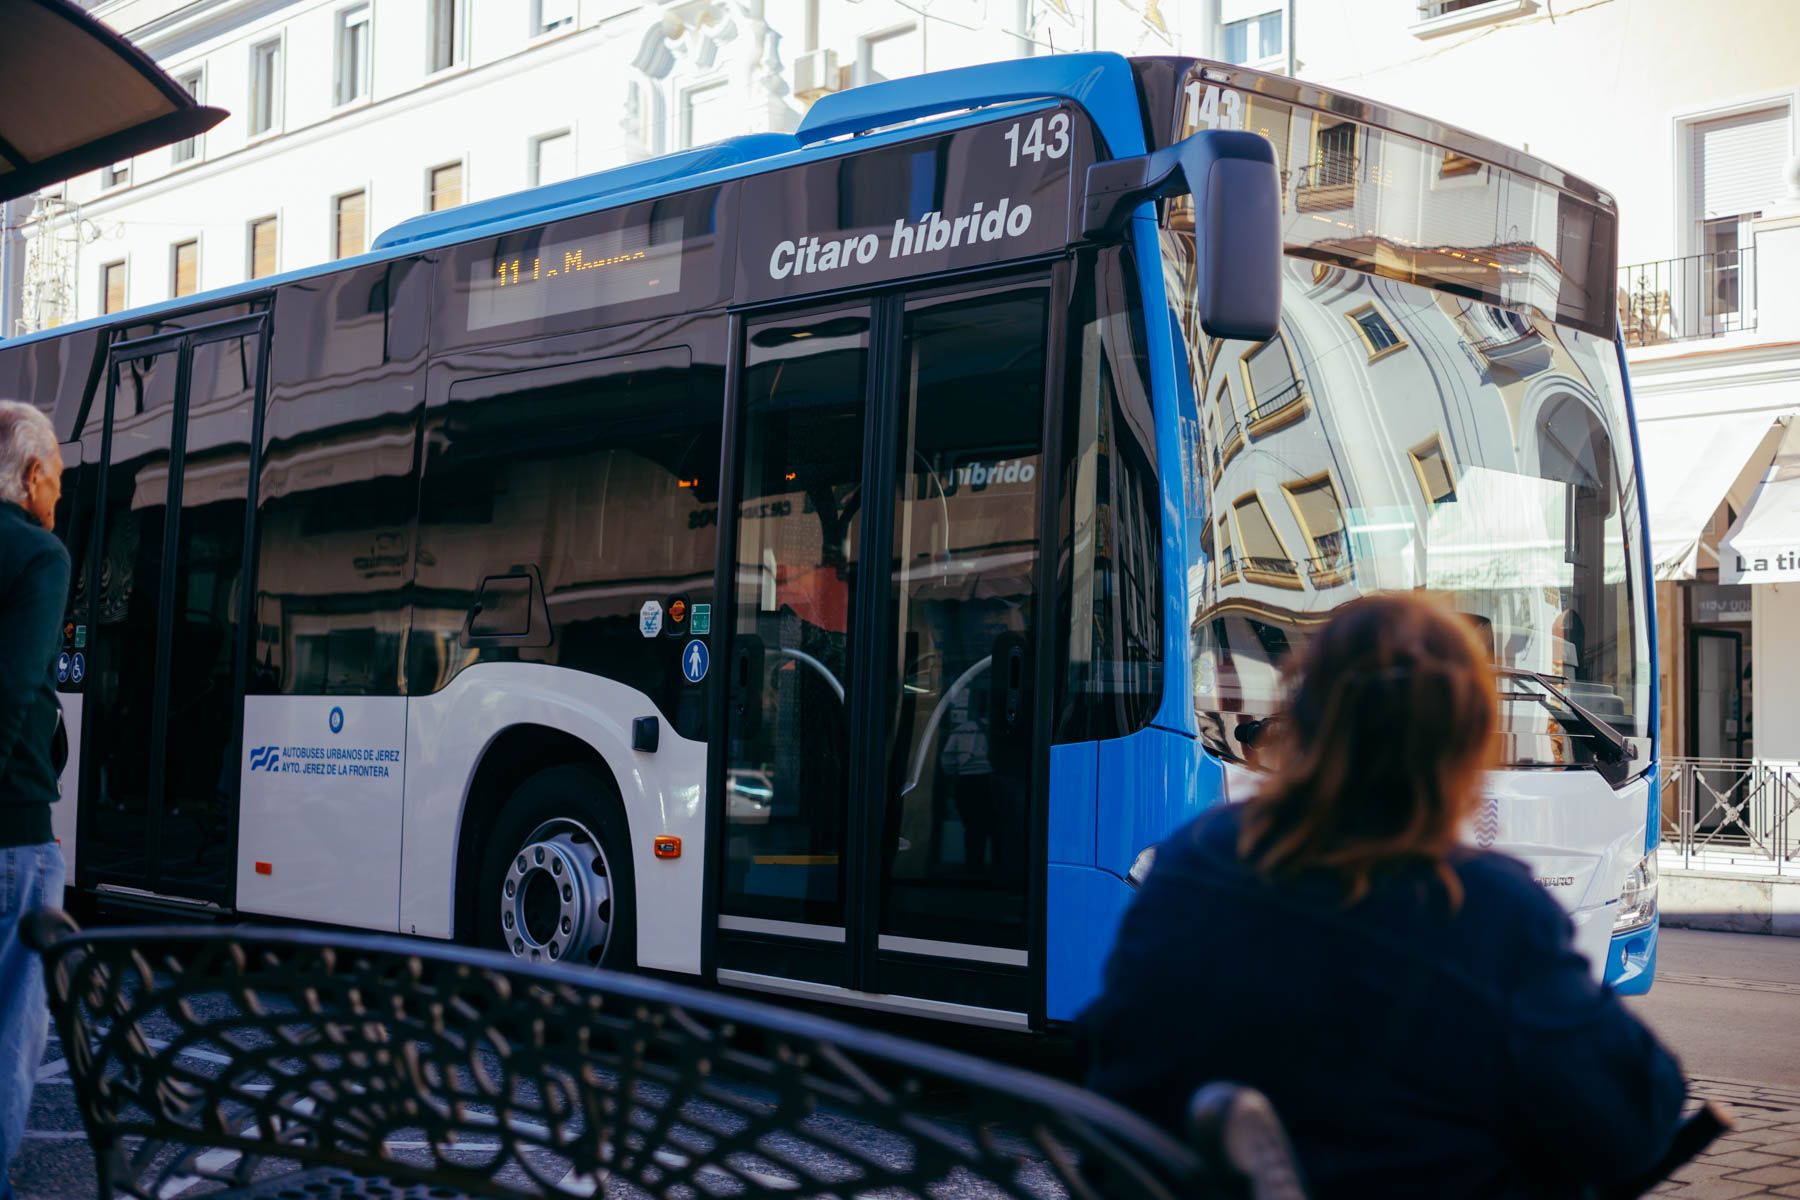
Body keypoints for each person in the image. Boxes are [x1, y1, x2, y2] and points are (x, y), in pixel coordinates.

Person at [1080, 592, 1685, 1199]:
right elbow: (1637, 1115)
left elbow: (1116, 1072)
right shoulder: (1485, 909)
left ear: (1302, 720)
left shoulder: (1193, 859)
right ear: (1467, 742)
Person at [0, 401, 69, 1199]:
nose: (57, 499)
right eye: (55, 481)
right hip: (12, 834)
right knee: (12, 1035)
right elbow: (13, 686)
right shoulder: (38, 556)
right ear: (29, 475)